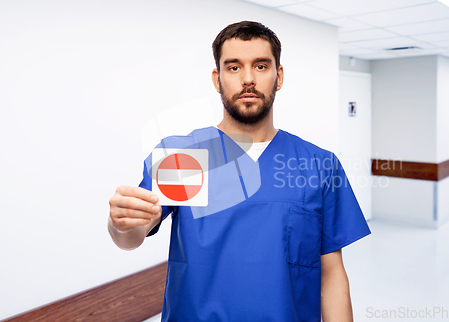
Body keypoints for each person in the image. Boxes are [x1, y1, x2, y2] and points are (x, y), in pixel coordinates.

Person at [108, 21, 371, 322]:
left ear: (278, 76)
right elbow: (132, 236)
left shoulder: (319, 165)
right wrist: (121, 224)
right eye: (233, 68)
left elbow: (332, 274)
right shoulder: (184, 157)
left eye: (260, 66)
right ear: (217, 79)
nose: (248, 79)